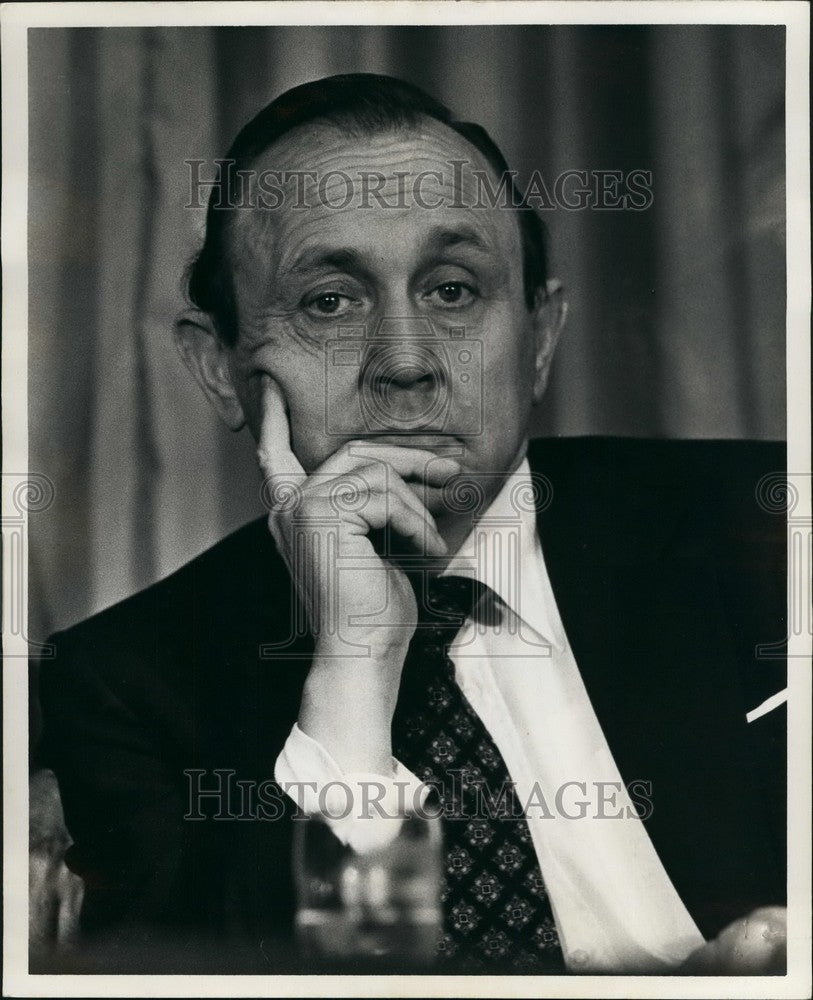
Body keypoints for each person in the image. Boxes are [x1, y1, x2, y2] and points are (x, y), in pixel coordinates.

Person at [38, 74, 787, 974]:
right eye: (329, 302)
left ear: (539, 337)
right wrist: (355, 667)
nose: (404, 362)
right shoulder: (128, 689)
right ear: (218, 369)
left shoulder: (771, 522)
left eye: (453, 289)